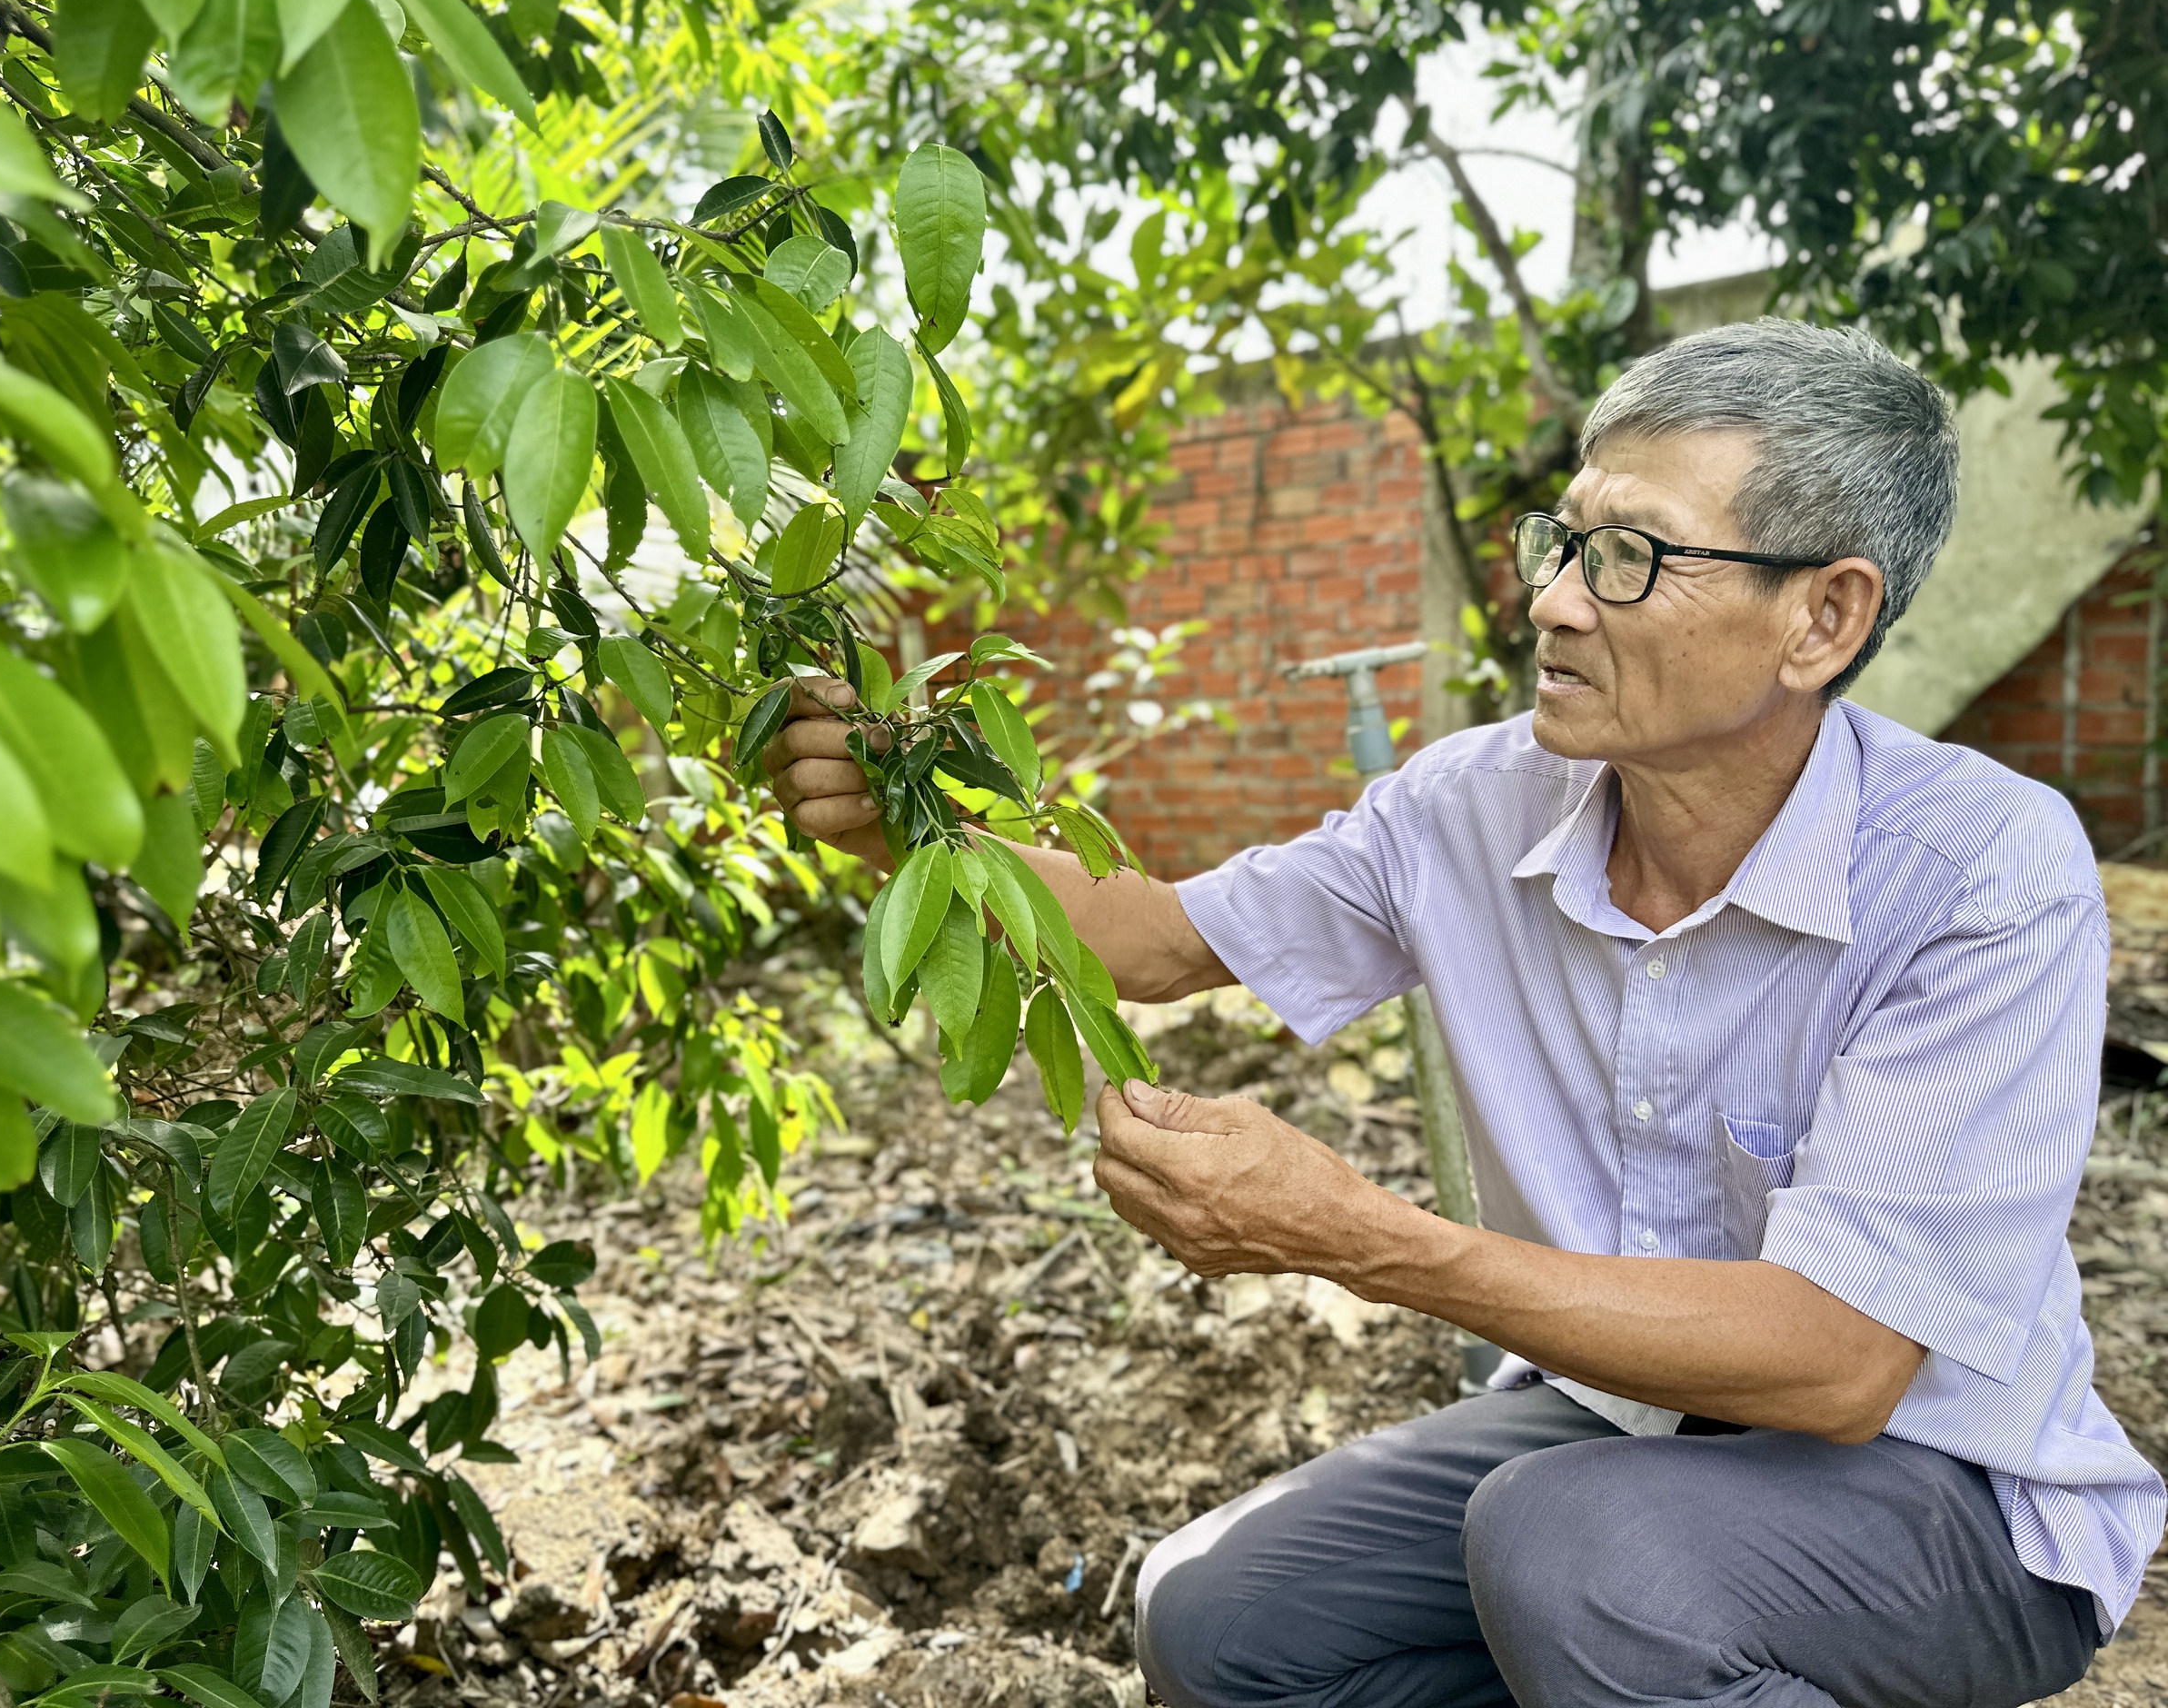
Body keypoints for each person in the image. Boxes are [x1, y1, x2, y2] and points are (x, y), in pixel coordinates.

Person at [762, 319, 2165, 1708]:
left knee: (1571, 1551)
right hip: (1622, 1426)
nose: (1554, 600)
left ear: (1825, 616)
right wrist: (911, 815)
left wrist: (1362, 1240)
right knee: (1218, 1621)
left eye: (1635, 559)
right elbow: (1159, 941)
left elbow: (1842, 1362)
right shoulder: (1473, 807)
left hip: (1947, 1499)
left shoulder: (1981, 871)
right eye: (1563, 544)